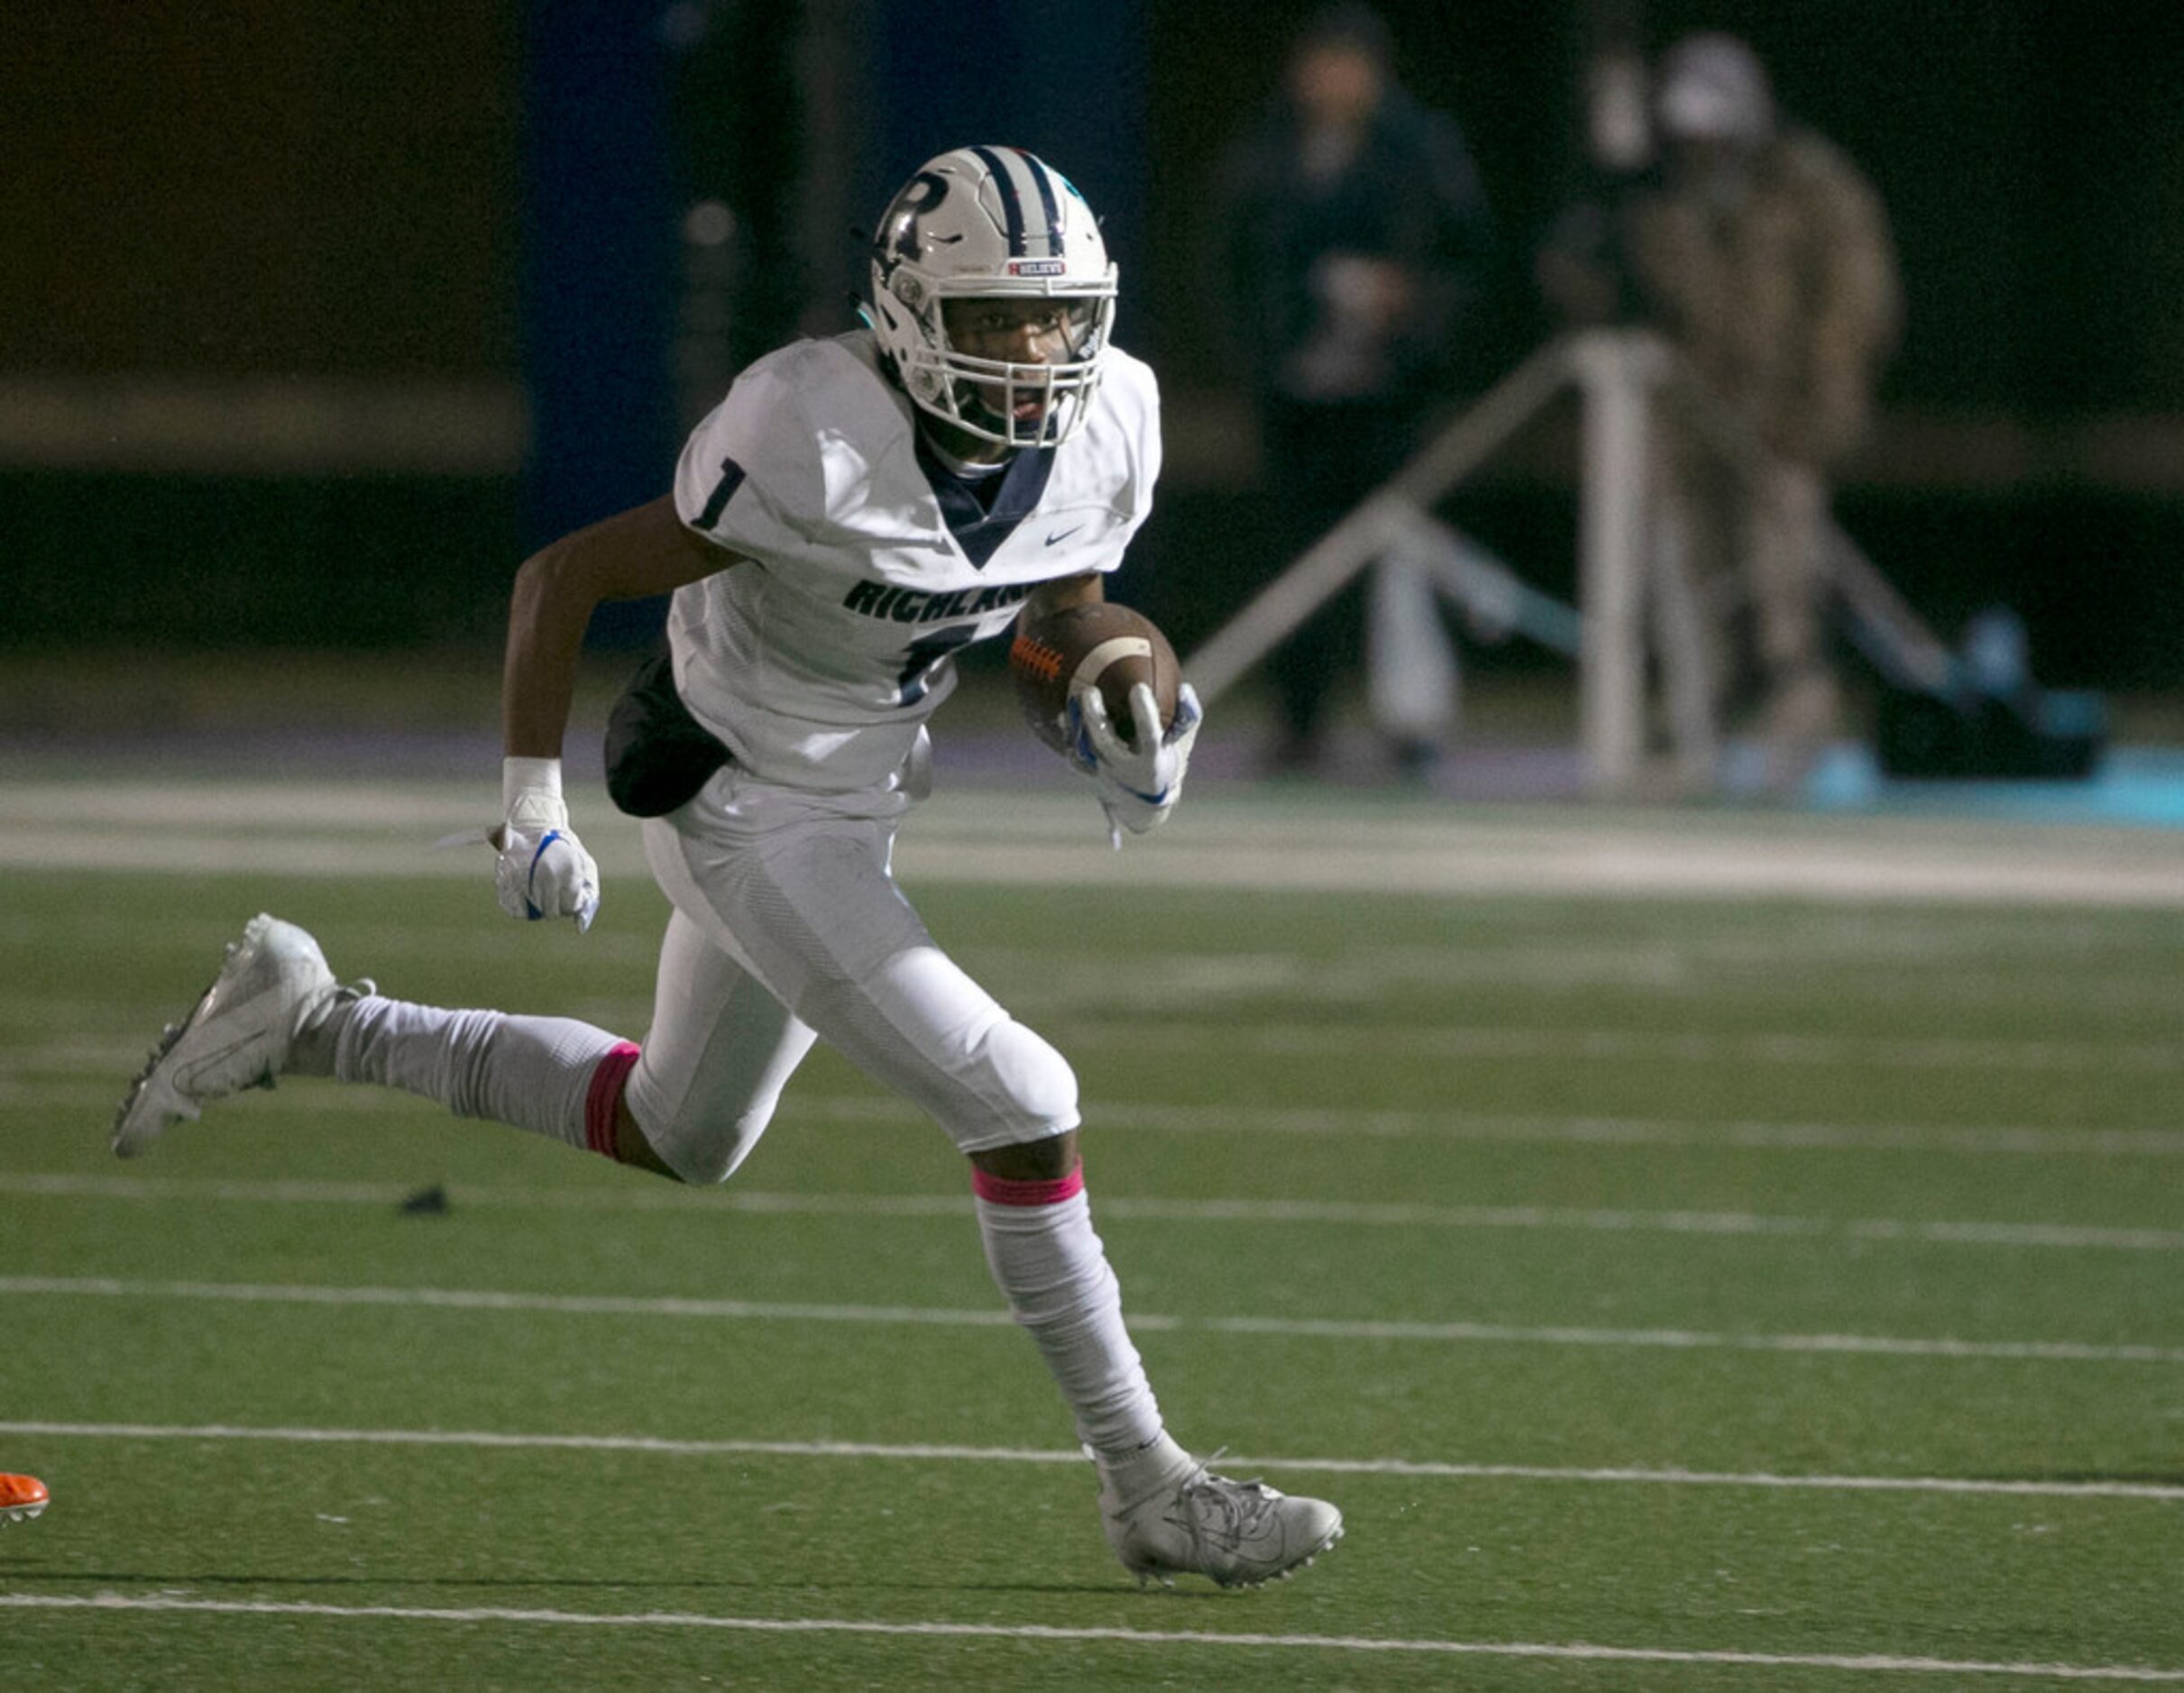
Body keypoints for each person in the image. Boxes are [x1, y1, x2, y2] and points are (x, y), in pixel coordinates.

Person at [112, 146, 1342, 1590]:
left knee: (681, 1126)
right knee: (1025, 1098)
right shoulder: (805, 423)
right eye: (1000, 317)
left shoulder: (1110, 416)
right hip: (739, 802)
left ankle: (307, 1018)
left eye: (1058, 316)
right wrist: (530, 803)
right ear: (903, 312)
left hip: (857, 797)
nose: (1036, 351)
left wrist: (1123, 693)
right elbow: (560, 578)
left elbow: (1056, 608)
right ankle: (1151, 1484)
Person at [1545, 33, 1902, 794]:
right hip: (1689, 413)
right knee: (1689, 569)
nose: (1703, 148)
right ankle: (1691, 725)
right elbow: (1603, 291)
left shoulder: (1808, 187)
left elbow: (1856, 304)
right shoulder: (1659, 196)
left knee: (1782, 577)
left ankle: (1795, 720)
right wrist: (1597, 221)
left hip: (1784, 417)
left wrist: (1818, 414)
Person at [1213, 3, 1497, 775]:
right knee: (1298, 561)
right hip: (1298, 394)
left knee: (1402, 561)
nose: (1333, 80)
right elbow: (1237, 264)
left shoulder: (1420, 152)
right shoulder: (1270, 153)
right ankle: (1299, 722)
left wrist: (1410, 312)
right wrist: (1270, 349)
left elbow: (1467, 266)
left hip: (1392, 396)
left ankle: (1413, 723)